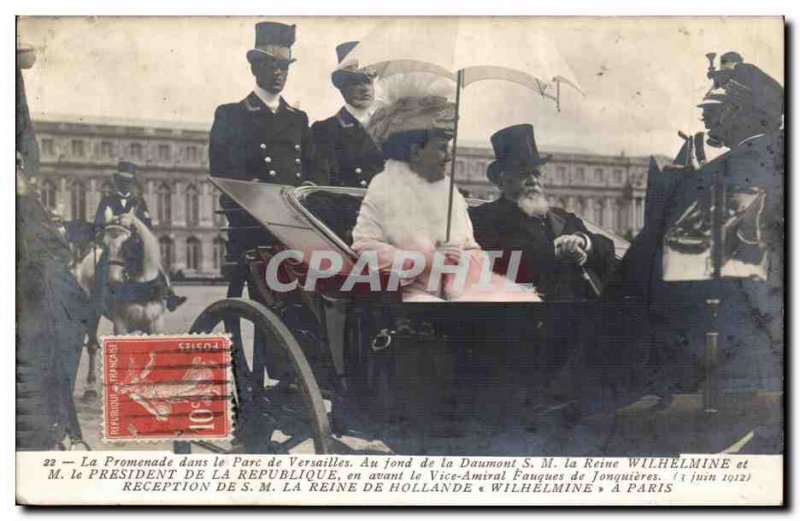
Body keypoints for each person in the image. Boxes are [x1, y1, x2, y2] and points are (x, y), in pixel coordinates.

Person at [351, 77, 540, 302]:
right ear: (415, 151)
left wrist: (461, 259)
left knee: (521, 303)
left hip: (460, 289)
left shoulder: (450, 194)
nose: (449, 156)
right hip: (410, 294)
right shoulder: (384, 187)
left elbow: (474, 250)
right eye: (441, 148)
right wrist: (426, 261)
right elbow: (365, 247)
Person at [210, 21, 323, 295]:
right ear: (254, 68)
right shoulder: (231, 115)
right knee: (269, 307)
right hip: (256, 229)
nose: (278, 73)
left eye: (284, 67)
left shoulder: (298, 119)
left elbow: (315, 170)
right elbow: (225, 176)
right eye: (271, 65)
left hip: (297, 226)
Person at [469, 124, 616, 301]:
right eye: (523, 173)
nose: (533, 180)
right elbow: (502, 263)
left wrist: (583, 242)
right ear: (502, 183)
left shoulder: (562, 218)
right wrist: (555, 251)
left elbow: (607, 249)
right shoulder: (483, 218)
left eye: (537, 174)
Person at [92, 161, 186, 311]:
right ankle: (96, 302)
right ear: (116, 182)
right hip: (114, 243)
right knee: (101, 266)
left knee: (158, 261)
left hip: (134, 243)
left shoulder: (138, 202)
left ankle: (169, 294)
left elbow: (147, 225)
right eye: (122, 182)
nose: (125, 185)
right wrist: (107, 231)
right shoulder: (107, 201)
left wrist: (135, 226)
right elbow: (98, 224)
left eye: (128, 182)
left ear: (132, 184)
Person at [311, 41, 385, 188]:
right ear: (342, 87)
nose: (365, 89)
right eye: (356, 82)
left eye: (368, 81)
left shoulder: (389, 124)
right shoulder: (326, 130)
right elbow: (326, 182)